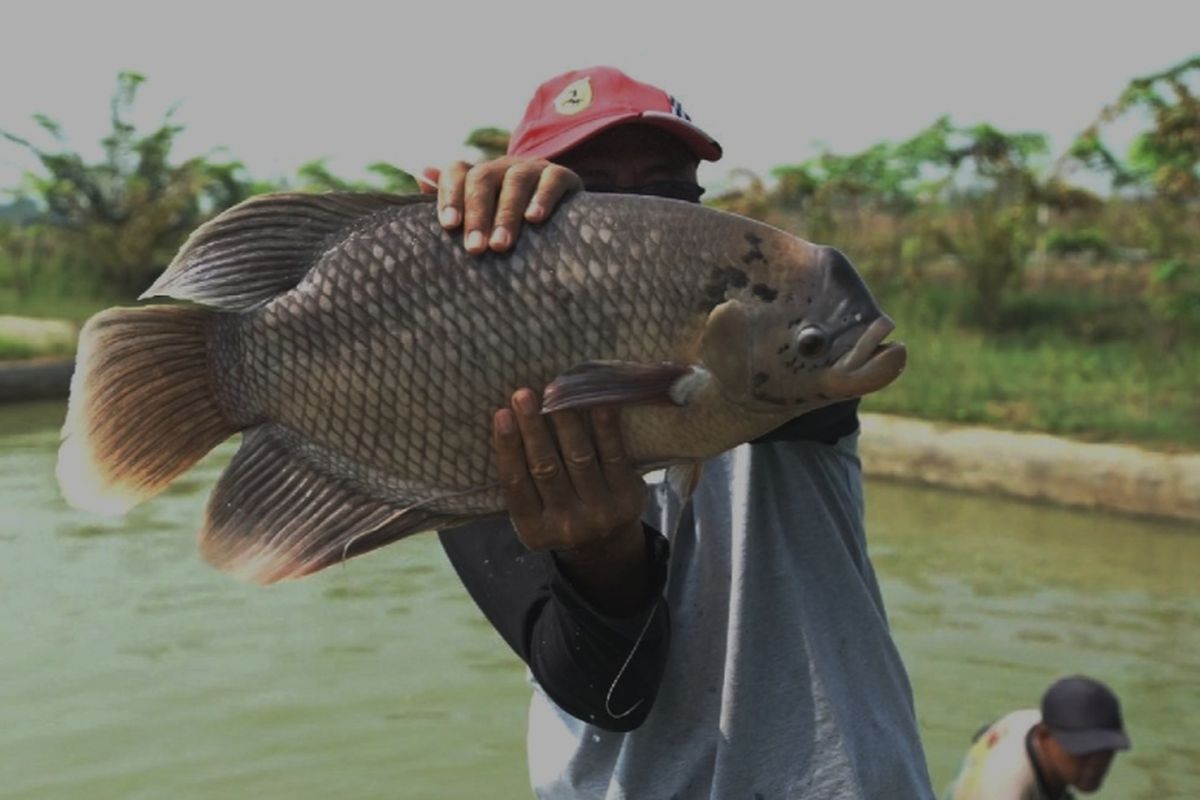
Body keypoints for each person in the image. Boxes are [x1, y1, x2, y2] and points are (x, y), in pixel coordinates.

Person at [430, 66, 934, 799]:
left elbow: (830, 324)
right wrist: (597, 554)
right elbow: (609, 692)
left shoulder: (779, 359)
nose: (636, 218)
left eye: (669, 192)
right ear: (514, 224)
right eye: (592, 195)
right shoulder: (465, 411)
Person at [944, 675, 1131, 800]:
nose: (1096, 765)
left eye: (1105, 751)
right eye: (1082, 752)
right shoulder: (1006, 789)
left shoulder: (1050, 723)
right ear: (1044, 736)